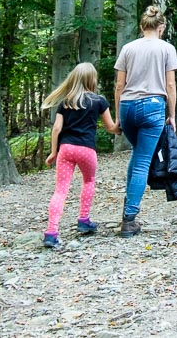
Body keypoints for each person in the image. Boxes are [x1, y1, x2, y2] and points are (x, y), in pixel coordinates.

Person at [114, 4, 177, 238]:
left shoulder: (128, 48)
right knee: (142, 161)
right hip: (152, 106)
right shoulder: (166, 49)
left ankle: (127, 208)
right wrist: (171, 115)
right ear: (161, 27)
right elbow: (170, 85)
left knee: (137, 154)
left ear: (142, 26)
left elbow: (119, 85)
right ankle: (129, 220)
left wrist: (117, 115)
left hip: (127, 106)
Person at [42, 62, 119, 249]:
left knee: (60, 190)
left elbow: (57, 129)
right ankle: (83, 220)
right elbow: (111, 128)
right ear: (92, 79)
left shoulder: (65, 102)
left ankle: (51, 232)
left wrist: (54, 151)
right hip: (87, 150)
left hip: (66, 149)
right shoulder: (99, 101)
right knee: (89, 181)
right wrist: (122, 125)